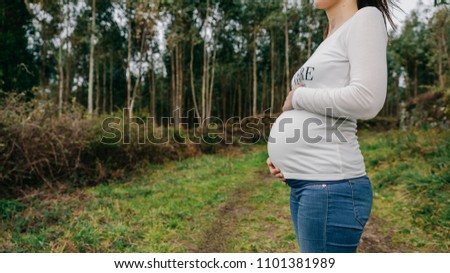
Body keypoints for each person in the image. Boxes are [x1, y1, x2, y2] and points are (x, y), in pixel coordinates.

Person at [266, 0, 397, 253]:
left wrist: (297, 97)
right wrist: (285, 160)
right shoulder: (329, 38)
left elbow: (367, 99)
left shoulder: (366, 17)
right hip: (309, 185)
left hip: (330, 187)